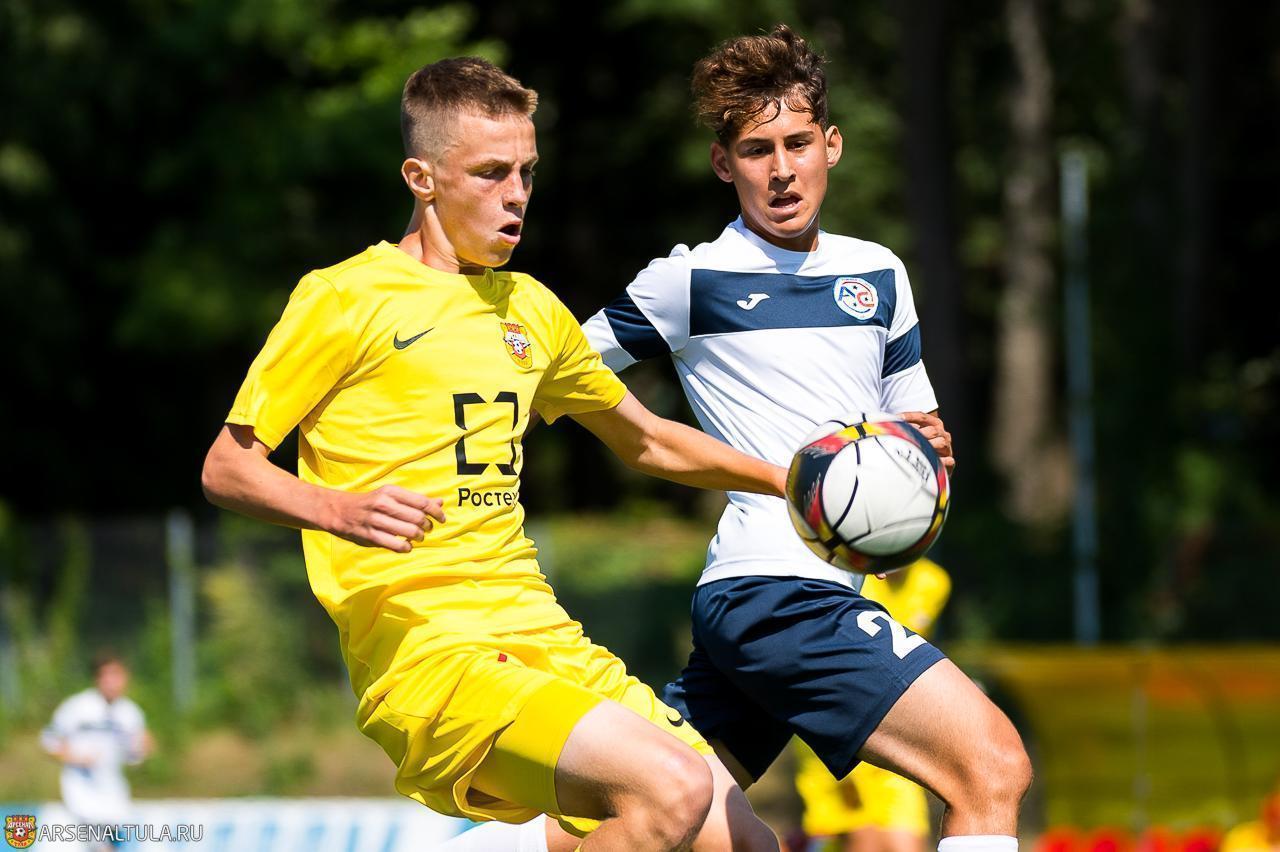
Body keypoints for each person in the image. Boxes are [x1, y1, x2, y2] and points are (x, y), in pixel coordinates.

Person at [201, 57, 781, 851]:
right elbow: (227, 467)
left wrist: (793, 478)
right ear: (422, 178)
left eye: (526, 172)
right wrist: (337, 508)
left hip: (541, 635)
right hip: (430, 657)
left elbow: (647, 439)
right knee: (671, 790)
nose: (516, 194)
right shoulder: (343, 297)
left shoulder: (532, 310)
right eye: (490, 172)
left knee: (743, 842)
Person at [575, 24, 1033, 852]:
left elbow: (914, 432)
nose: (781, 169)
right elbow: (552, 369)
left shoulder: (879, 273)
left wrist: (925, 460)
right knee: (991, 766)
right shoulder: (689, 281)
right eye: (756, 150)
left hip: (799, 598)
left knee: (664, 815)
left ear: (832, 145)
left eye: (797, 143)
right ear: (724, 164)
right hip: (776, 593)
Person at [792, 558, 952, 852]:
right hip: (838, 722)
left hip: (894, 729)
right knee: (853, 838)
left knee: (905, 842)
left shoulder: (934, 581)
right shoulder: (849, 576)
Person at [41, 653, 153, 849]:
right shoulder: (78, 707)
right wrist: (75, 758)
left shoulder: (131, 713)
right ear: (97, 679)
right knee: (101, 848)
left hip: (115, 796)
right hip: (82, 795)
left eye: (116, 675)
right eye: (106, 676)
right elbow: (49, 741)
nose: (111, 682)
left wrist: (142, 750)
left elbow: (135, 755)